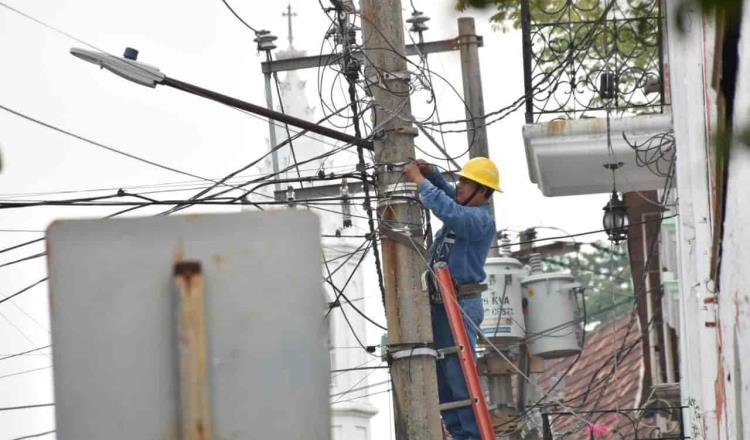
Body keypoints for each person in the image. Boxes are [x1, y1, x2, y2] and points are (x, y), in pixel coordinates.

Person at [402, 157, 500, 440]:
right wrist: (432, 176)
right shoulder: (465, 210)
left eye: (467, 182)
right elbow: (450, 198)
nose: (461, 185)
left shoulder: (479, 220)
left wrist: (420, 182)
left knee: (458, 377)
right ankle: (459, 434)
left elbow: (449, 210)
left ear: (483, 192)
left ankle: (471, 435)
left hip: (459, 304)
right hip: (441, 303)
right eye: (462, 179)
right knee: (442, 379)